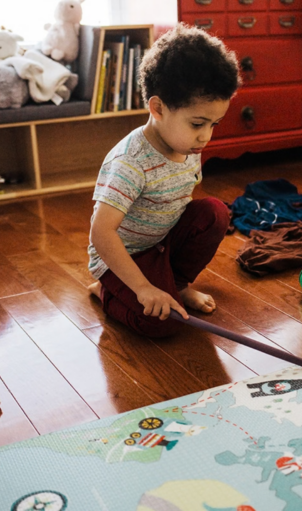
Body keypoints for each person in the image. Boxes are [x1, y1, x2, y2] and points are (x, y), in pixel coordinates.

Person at [87, 24, 241, 337]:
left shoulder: (188, 145)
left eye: (214, 124)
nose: (206, 136)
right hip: (123, 258)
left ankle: (177, 285)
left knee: (215, 212)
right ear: (158, 108)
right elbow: (101, 234)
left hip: (161, 244)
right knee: (162, 321)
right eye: (197, 124)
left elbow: (179, 204)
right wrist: (143, 288)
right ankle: (105, 290)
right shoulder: (130, 163)